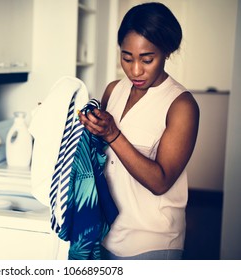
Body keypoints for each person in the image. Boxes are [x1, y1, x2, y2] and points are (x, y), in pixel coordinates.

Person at [78, 2, 200, 260]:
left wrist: (113, 134)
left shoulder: (181, 105)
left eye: (147, 59)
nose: (135, 70)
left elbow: (161, 181)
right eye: (126, 57)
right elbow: (95, 149)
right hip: (106, 232)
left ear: (167, 51)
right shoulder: (114, 90)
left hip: (151, 241)